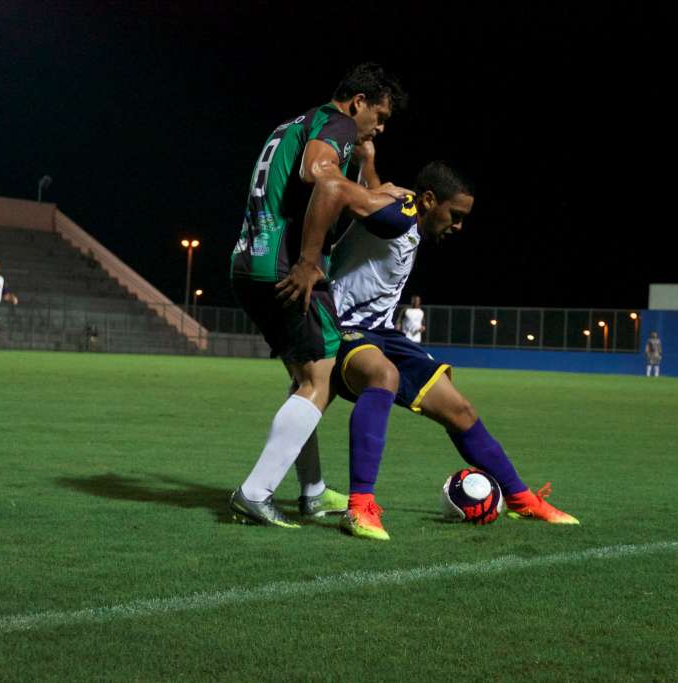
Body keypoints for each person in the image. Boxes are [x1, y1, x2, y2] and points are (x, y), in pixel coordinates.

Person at [310, 161, 579, 540]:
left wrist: (369, 163)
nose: (459, 225)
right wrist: (308, 262)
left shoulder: (405, 217)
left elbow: (372, 196)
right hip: (344, 327)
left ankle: (521, 499)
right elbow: (337, 190)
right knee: (383, 376)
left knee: (460, 410)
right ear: (429, 200)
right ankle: (359, 508)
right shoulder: (398, 214)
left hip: (383, 331)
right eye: (455, 215)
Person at [227, 63, 409, 527]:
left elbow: (323, 181)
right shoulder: (338, 123)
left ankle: (311, 491)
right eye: (380, 116)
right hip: (288, 268)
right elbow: (321, 178)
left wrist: (367, 170)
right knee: (320, 381)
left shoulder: (297, 123)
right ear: (358, 102)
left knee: (305, 378)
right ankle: (255, 492)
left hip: (250, 262)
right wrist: (310, 261)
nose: (380, 128)